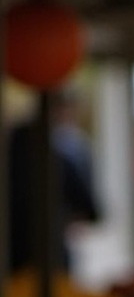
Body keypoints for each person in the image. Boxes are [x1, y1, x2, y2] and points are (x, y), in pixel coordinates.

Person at [6, 88, 100, 274]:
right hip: (47, 252)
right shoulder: (59, 154)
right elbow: (88, 208)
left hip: (13, 254)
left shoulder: (14, 147)